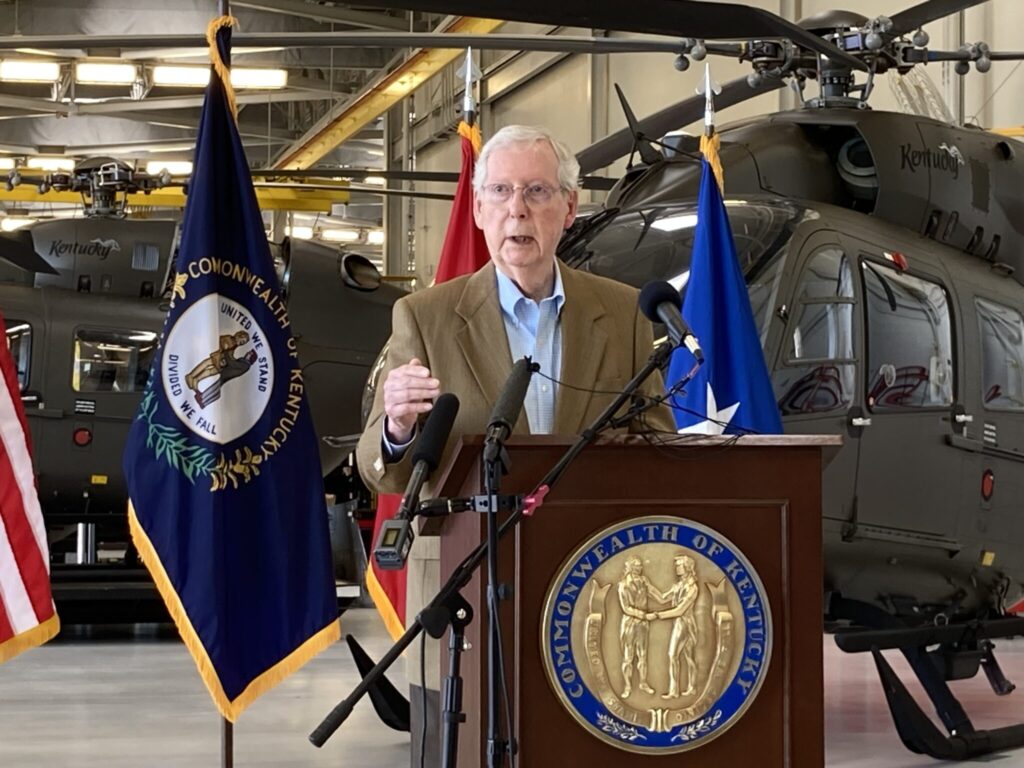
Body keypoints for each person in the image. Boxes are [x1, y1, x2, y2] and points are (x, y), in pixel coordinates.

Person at [356, 124, 675, 768]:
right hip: (463, 584)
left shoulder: (624, 315)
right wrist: (396, 427)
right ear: (477, 210)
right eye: (499, 191)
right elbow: (377, 467)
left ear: (570, 208)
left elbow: (657, 444)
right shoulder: (425, 316)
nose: (517, 209)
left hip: (593, 583)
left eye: (535, 191)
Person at [655, 554, 701, 699]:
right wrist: (648, 587)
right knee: (687, 657)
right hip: (679, 623)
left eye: (679, 565)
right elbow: (662, 599)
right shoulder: (678, 586)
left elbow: (679, 610)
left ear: (687, 567)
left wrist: (657, 615)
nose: (676, 568)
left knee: (673, 655)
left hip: (685, 624)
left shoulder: (692, 588)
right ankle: (687, 689)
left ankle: (678, 690)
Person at [617, 556, 660, 698]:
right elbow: (626, 608)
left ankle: (643, 683)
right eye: (637, 566)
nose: (641, 568)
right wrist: (644, 616)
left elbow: (657, 595)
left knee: (643, 655)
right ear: (630, 567)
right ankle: (628, 686)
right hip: (630, 624)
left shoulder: (644, 581)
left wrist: (673, 596)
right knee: (628, 657)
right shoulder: (623, 585)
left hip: (642, 625)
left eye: (641, 565)